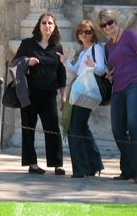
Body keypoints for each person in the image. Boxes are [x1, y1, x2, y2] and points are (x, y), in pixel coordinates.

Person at [97, 9, 137, 184]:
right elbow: (111, 68)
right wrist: (109, 76)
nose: (108, 27)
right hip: (118, 87)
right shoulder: (108, 47)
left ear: (115, 21)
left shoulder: (130, 35)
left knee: (133, 123)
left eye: (110, 22)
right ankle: (128, 169)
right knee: (118, 129)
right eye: (104, 25)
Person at [12, 12, 66, 175]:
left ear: (54, 26)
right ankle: (32, 163)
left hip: (49, 94)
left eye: (50, 23)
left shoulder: (57, 47)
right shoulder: (28, 44)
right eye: (44, 23)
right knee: (28, 128)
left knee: (53, 128)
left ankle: (57, 164)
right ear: (39, 26)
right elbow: (14, 63)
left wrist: (63, 95)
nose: (47, 26)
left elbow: (61, 72)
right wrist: (28, 61)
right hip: (29, 93)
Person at [57, 20, 105, 178]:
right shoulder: (83, 52)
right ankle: (93, 165)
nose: (84, 35)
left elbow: (101, 70)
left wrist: (92, 65)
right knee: (81, 127)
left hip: (87, 91)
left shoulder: (96, 48)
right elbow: (76, 71)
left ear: (93, 34)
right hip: (81, 92)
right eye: (81, 32)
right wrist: (65, 62)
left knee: (75, 128)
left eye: (87, 32)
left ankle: (80, 169)